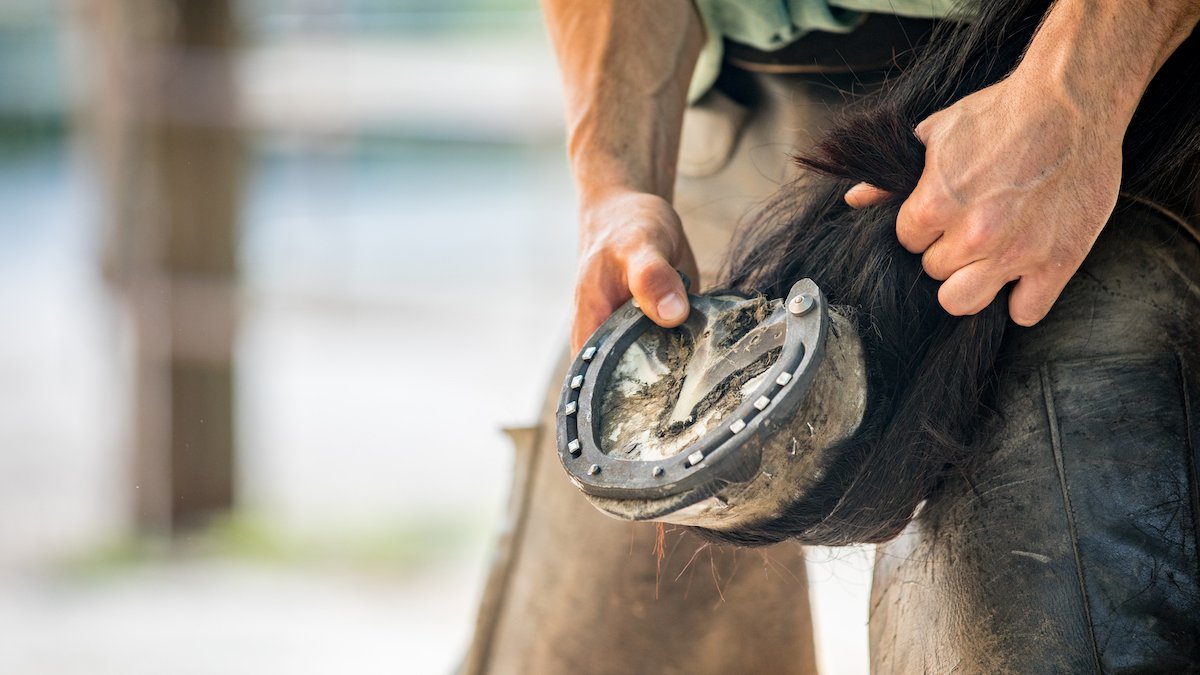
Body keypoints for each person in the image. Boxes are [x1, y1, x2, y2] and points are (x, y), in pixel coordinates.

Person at [462, 1, 1200, 673]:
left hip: (1076, 115)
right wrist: (616, 182)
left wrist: (1075, 95)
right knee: (591, 638)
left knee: (1035, 620)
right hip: (722, 125)